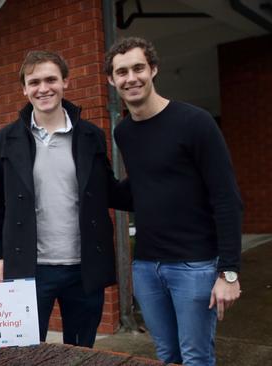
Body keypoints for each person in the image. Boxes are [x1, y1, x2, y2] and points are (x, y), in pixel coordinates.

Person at [105, 37, 243, 365]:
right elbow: (143, 192)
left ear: (153, 69)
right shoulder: (124, 132)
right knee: (167, 356)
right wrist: (91, 178)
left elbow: (226, 198)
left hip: (194, 265)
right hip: (146, 267)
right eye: (121, 72)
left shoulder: (195, 122)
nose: (131, 78)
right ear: (112, 80)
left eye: (138, 68)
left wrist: (229, 273)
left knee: (196, 357)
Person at [0, 51, 131, 347]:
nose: (43, 88)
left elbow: (108, 190)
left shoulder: (91, 136)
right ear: (24, 89)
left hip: (83, 266)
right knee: (25, 351)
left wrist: (156, 180)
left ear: (66, 82)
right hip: (30, 268)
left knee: (80, 349)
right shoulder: (5, 139)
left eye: (51, 79)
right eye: (33, 81)